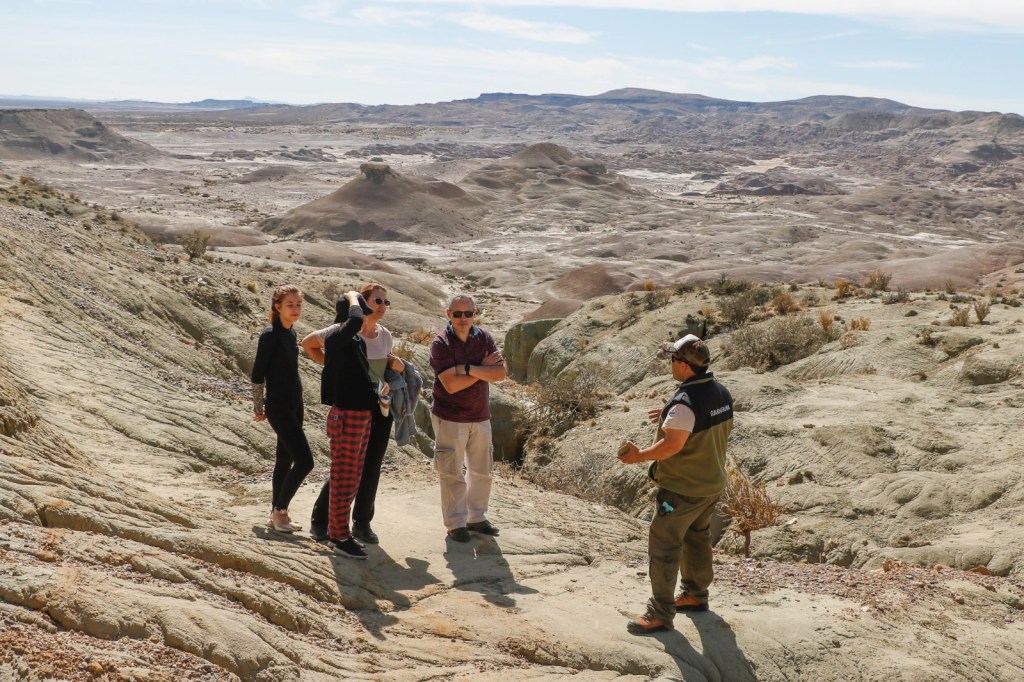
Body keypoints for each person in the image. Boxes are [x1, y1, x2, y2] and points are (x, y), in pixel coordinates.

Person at [617, 334, 734, 635]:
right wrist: (670, 412)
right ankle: (695, 594)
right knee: (697, 538)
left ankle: (660, 613)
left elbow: (672, 446)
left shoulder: (685, 404)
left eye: (672, 360)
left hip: (683, 489)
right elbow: (696, 424)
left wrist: (640, 455)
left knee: (664, 545)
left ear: (683, 366)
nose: (670, 364)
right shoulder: (720, 392)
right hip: (711, 485)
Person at [302, 283, 405, 545]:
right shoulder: (345, 331)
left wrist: (399, 365)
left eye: (386, 302)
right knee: (347, 467)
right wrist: (333, 366)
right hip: (353, 405)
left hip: (380, 405)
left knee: (372, 466)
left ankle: (362, 523)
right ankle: (321, 520)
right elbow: (308, 343)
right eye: (377, 301)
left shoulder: (385, 335)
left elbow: (386, 366)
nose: (382, 306)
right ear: (363, 302)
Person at [428, 294, 506, 543]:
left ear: (475, 313)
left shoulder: (483, 337)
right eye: (458, 314)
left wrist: (467, 369)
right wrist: (482, 369)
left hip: (480, 415)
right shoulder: (441, 343)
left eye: (468, 313)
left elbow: (500, 373)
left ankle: (477, 518)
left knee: (482, 471)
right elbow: (450, 385)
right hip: (450, 416)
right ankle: (456, 523)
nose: (463, 319)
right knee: (452, 472)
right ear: (448, 314)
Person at [317, 290, 380, 559]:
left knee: (352, 477)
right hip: (348, 416)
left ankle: (340, 532)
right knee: (343, 477)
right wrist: (354, 296)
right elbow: (354, 320)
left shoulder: (354, 340)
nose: (365, 318)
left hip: (361, 413)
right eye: (363, 313)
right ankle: (339, 536)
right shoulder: (337, 335)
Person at [251, 284, 314, 533]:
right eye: (290, 304)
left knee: (284, 459)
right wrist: (259, 406)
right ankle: (281, 511)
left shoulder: (290, 333)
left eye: (298, 304)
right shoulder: (271, 335)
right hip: (278, 407)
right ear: (278, 307)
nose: (296, 309)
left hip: (294, 405)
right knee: (305, 461)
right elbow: (257, 374)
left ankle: (276, 515)